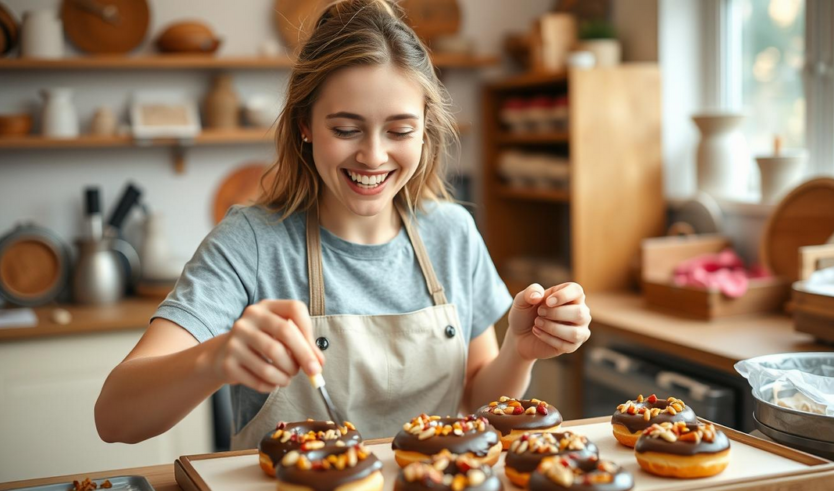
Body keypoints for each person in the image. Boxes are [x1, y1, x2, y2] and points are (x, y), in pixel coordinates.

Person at [94, 0, 591, 448]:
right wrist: (215, 357)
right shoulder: (251, 243)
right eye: (346, 129)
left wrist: (520, 351)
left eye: (399, 130)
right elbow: (114, 418)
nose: (373, 156)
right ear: (305, 126)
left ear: (425, 129)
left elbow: (478, 399)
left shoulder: (452, 233)